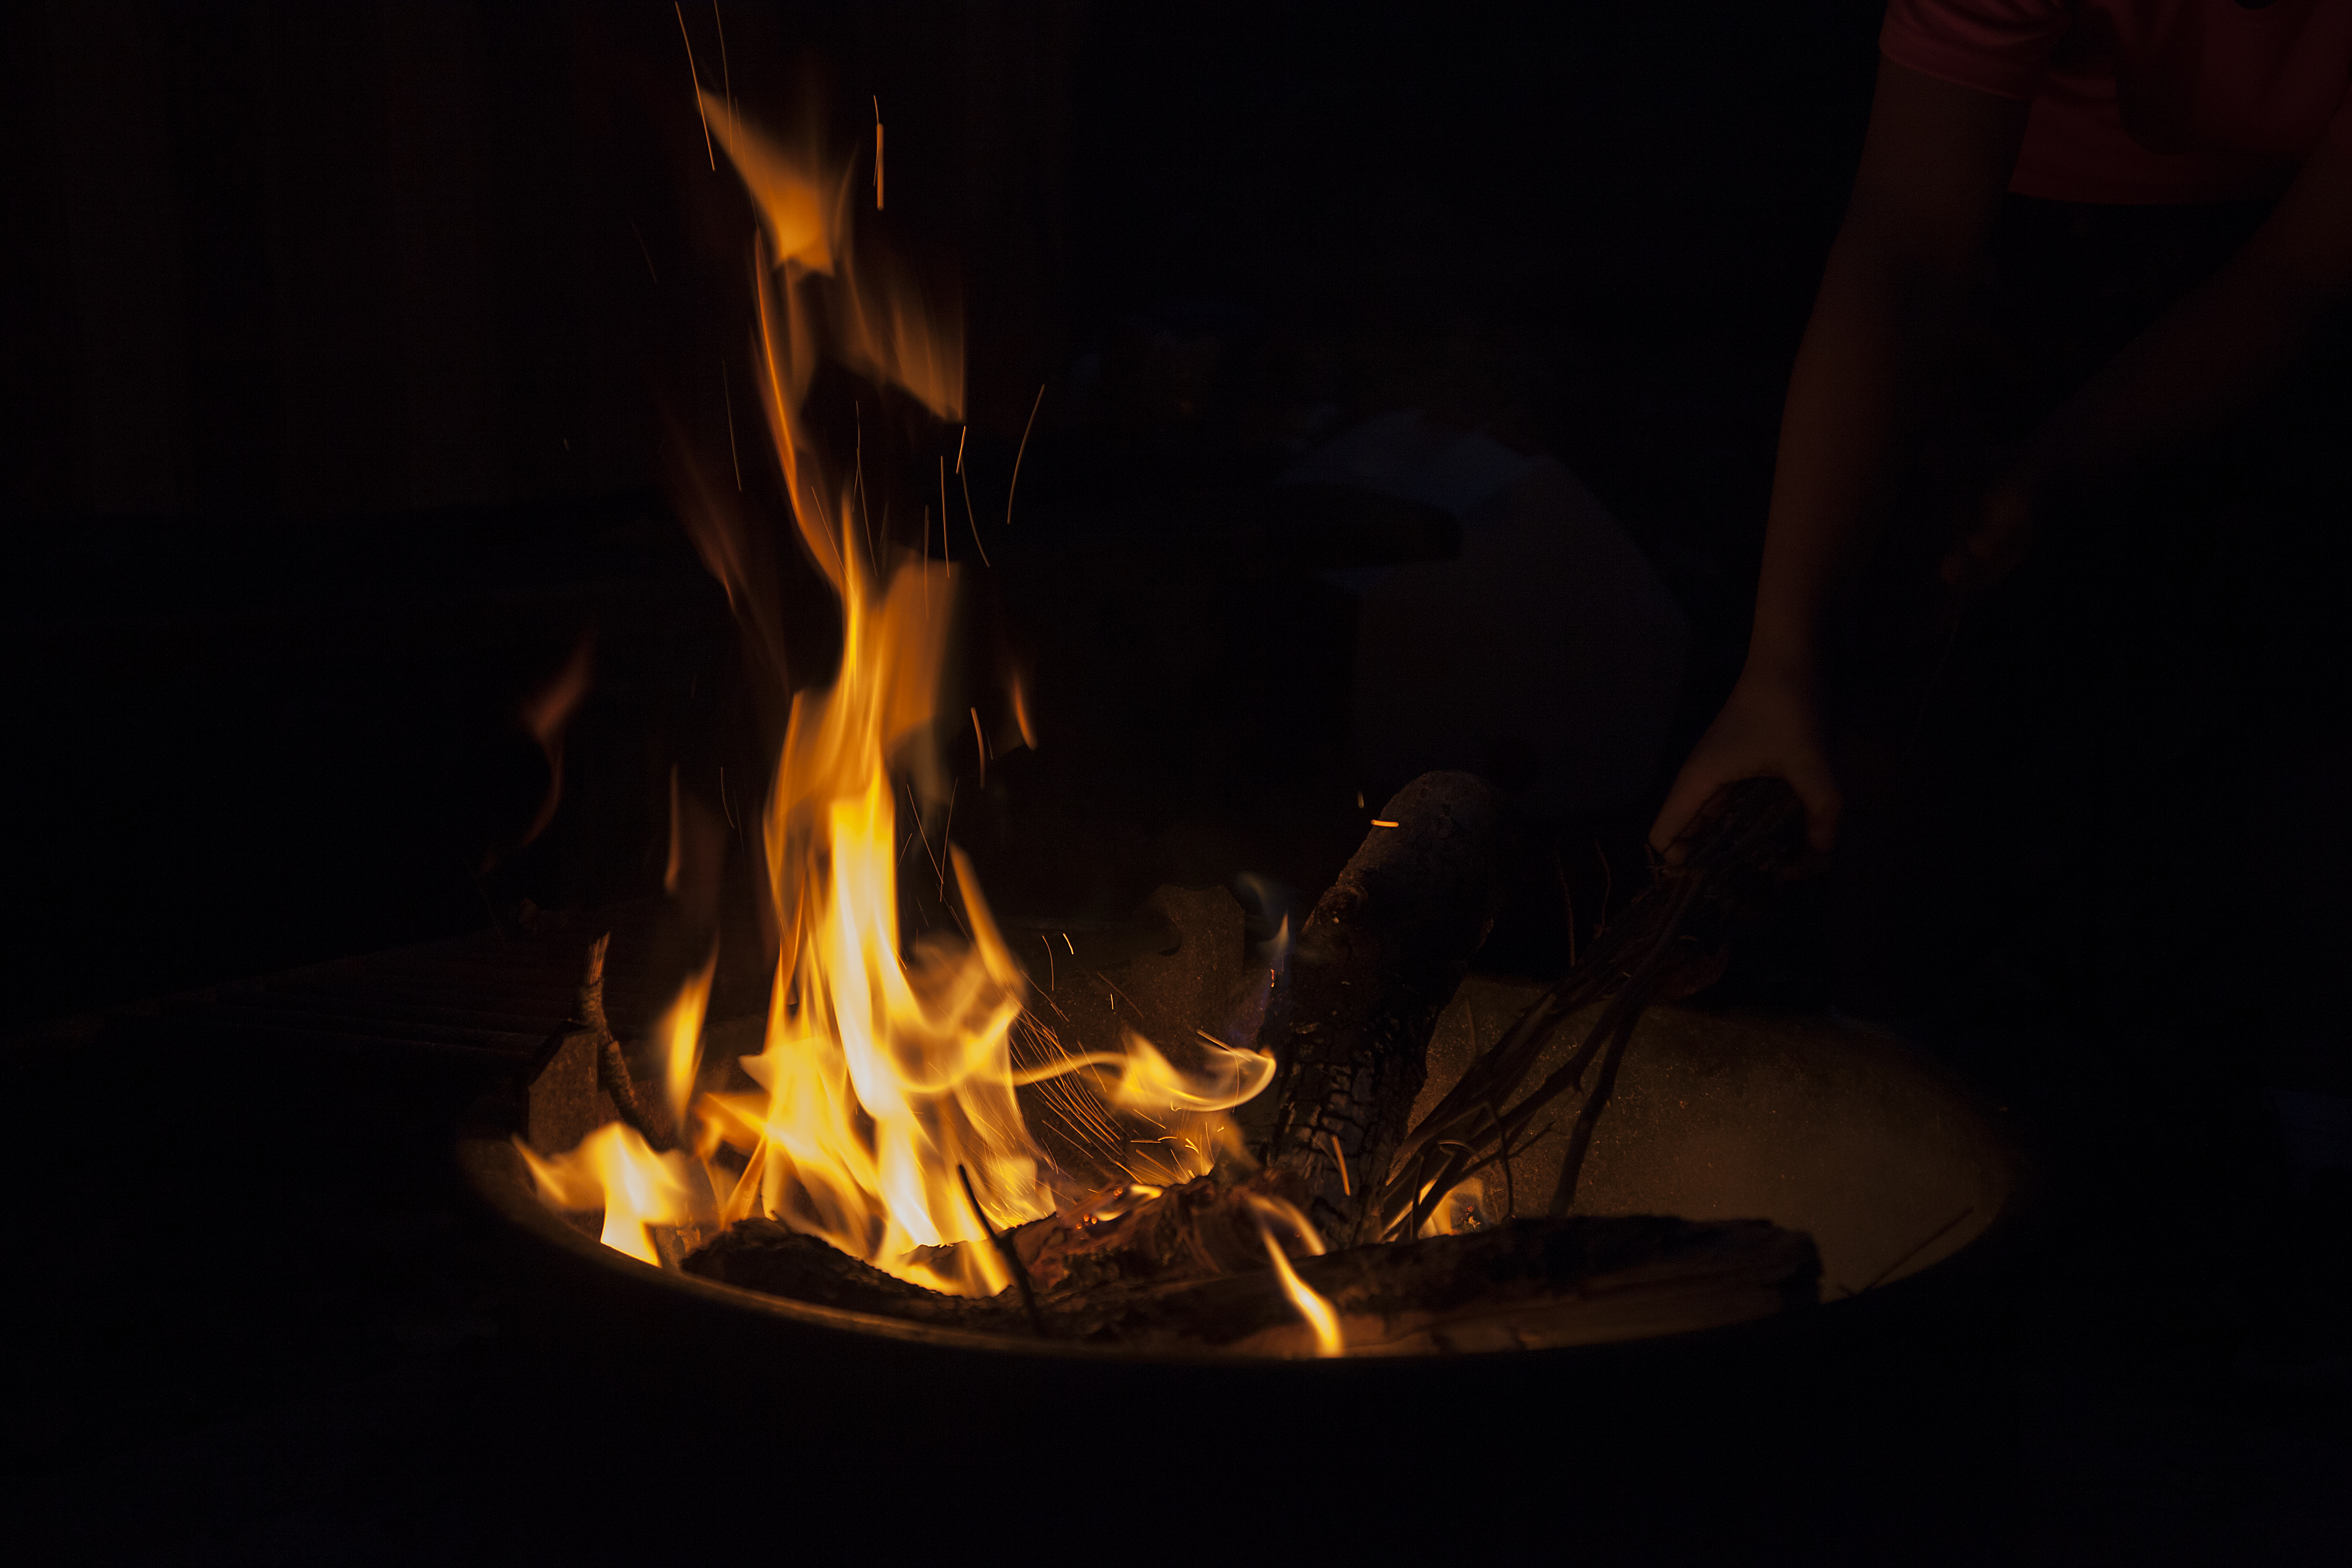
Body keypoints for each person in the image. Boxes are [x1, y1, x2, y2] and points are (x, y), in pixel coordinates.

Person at [1653, 0, 2352, 872]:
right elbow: (1908, 240)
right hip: (2003, 183)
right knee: (1905, 607)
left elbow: (2299, 278)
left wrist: (2053, 471)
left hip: (2274, 247)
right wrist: (1780, 663)